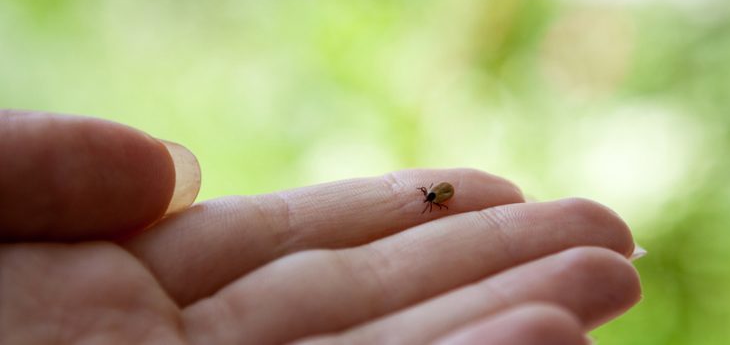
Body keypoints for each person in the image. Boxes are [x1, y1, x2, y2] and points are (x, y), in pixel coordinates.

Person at [0, 110, 642, 345]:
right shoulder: (434, 195)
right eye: (432, 197)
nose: (432, 198)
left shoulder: (433, 195)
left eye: (432, 199)